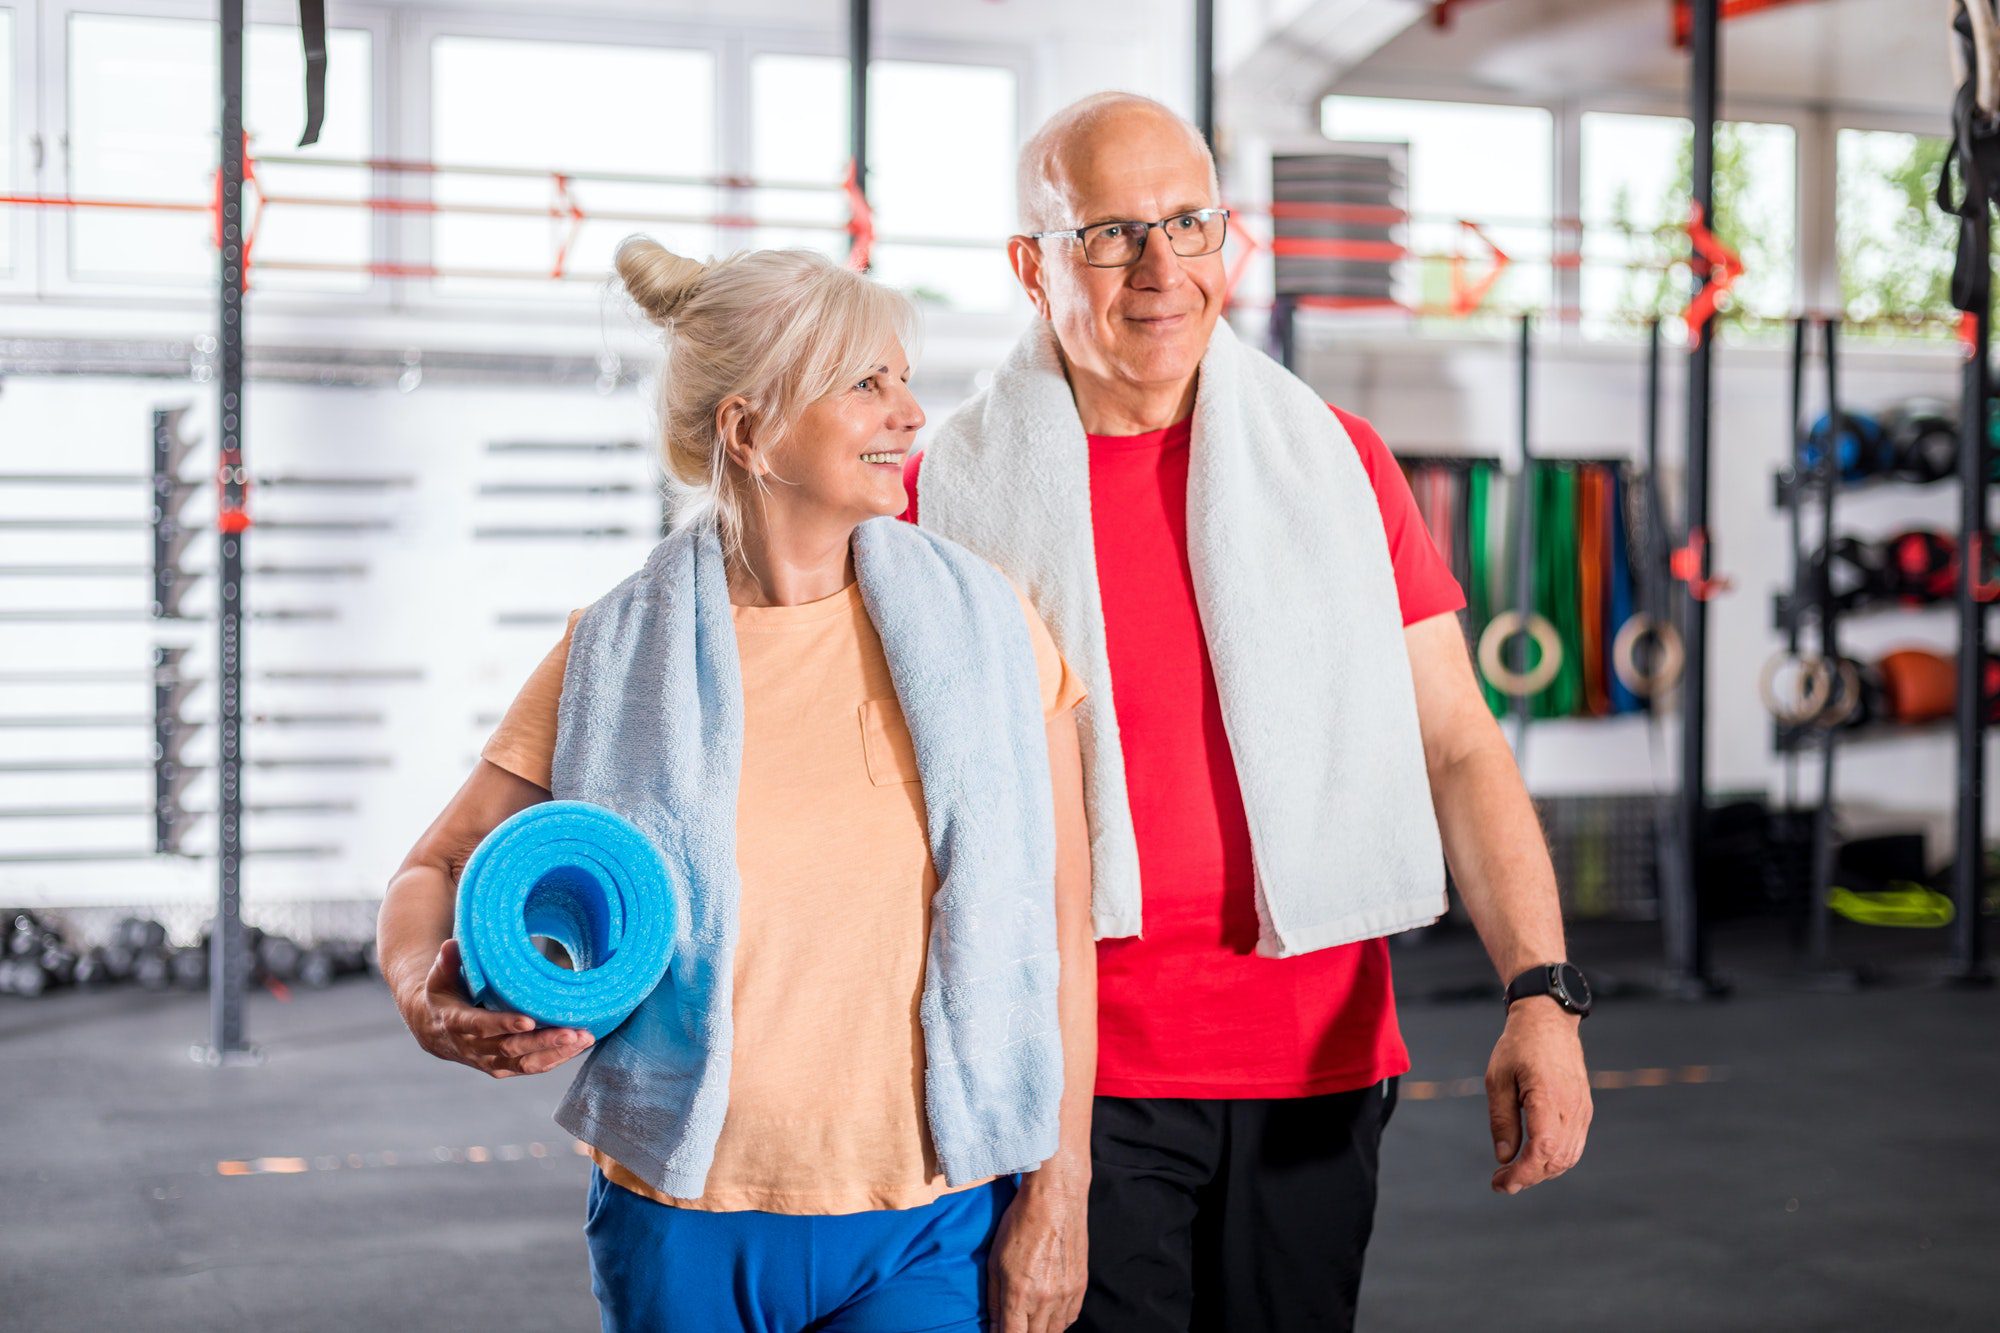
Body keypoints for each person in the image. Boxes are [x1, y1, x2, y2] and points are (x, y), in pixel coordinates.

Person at [902, 92, 1594, 1332]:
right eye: (1112, 234)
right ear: (1029, 264)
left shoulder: (1336, 462)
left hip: (1315, 1065)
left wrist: (1538, 990)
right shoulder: (938, 495)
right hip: (1073, 1080)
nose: (1161, 269)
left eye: (1188, 223)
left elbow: (1453, 742)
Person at [378, 240, 1096, 1333]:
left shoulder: (988, 626)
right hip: (682, 1216)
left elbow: (1061, 921)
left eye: (903, 378)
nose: (909, 413)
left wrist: (1061, 1186)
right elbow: (436, 865)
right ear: (748, 429)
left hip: (928, 1214)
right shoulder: (615, 651)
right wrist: (422, 998)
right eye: (867, 383)